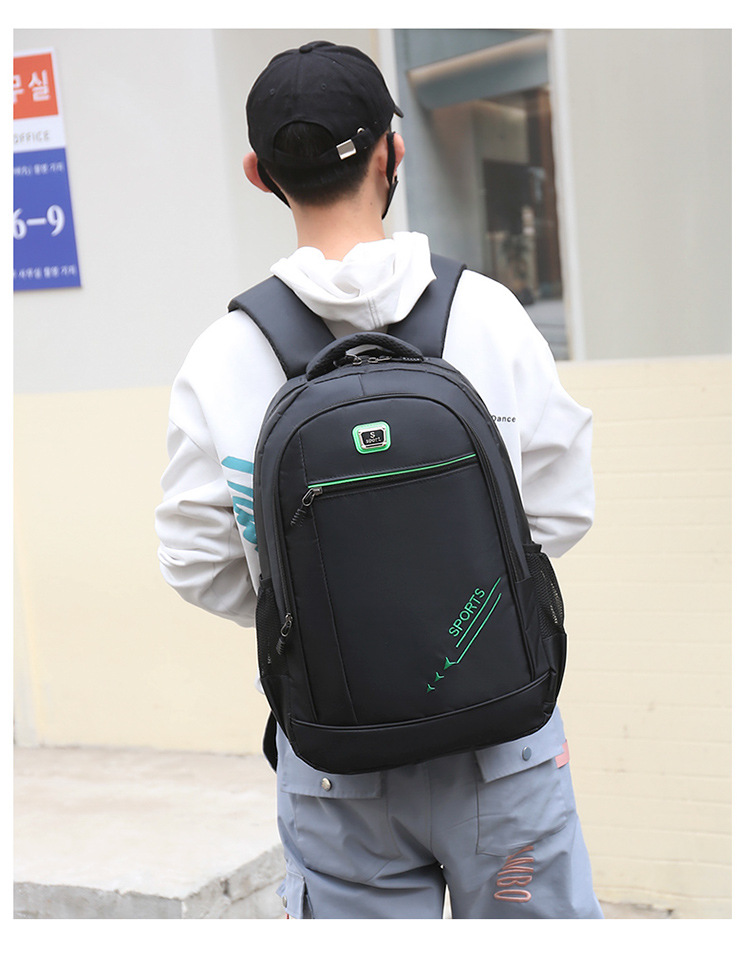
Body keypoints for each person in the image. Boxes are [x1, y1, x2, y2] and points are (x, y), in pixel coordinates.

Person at [155, 40, 603, 920]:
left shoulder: (222, 357)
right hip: (503, 746)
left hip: (338, 769)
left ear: (259, 174)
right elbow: (562, 507)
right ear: (392, 153)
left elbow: (193, 559)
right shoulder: (487, 315)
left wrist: (323, 618)